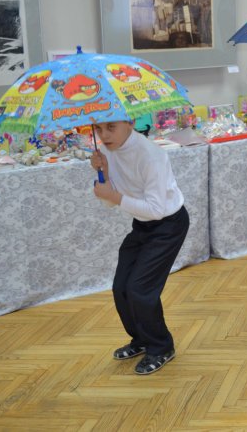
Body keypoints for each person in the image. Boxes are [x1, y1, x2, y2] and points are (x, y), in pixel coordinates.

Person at [90, 120, 190, 374]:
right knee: (121, 286)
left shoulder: (151, 156)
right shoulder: (108, 152)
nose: (104, 135)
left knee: (140, 289)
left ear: (130, 123)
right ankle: (142, 339)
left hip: (168, 226)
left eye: (111, 127)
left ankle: (161, 347)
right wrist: (103, 175)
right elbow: (110, 203)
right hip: (142, 225)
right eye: (98, 129)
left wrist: (112, 195)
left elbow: (156, 210)